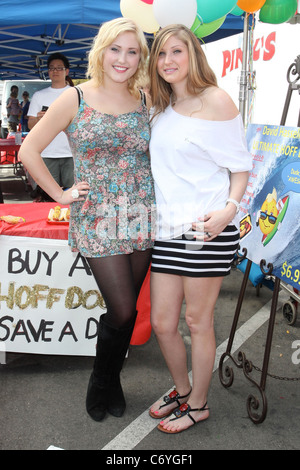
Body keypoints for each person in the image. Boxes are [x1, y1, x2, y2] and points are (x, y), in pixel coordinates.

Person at [19, 17, 155, 422]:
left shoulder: (147, 99)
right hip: (97, 216)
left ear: (140, 58)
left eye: (132, 51)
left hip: (141, 212)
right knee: (123, 308)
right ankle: (101, 379)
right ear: (101, 51)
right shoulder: (75, 97)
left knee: (126, 310)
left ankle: (110, 379)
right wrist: (61, 193)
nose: (123, 58)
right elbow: (29, 150)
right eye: (116, 49)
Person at [148, 24, 253, 434]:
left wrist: (229, 210)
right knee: (161, 322)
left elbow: (240, 167)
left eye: (177, 51)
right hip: (166, 229)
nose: (169, 61)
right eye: (161, 54)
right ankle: (182, 387)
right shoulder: (160, 106)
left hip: (204, 228)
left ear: (193, 54)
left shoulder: (217, 100)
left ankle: (199, 403)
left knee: (196, 322)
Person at [27, 52, 74, 201]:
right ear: (48, 72)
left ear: (66, 71)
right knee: (48, 198)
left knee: (75, 195)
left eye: (59, 68)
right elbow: (30, 125)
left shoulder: (77, 94)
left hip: (73, 153)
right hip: (47, 153)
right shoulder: (39, 96)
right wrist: (40, 119)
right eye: (52, 68)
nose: (55, 71)